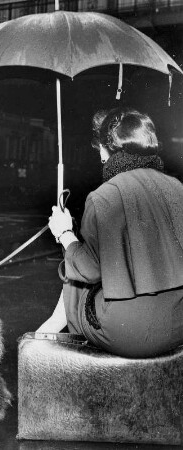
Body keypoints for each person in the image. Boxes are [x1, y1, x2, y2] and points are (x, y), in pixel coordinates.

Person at [37, 107, 183, 358]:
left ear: (106, 151)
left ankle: (45, 339)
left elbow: (90, 270)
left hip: (127, 335)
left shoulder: (104, 196)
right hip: (178, 325)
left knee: (76, 276)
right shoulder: (177, 187)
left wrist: (64, 233)